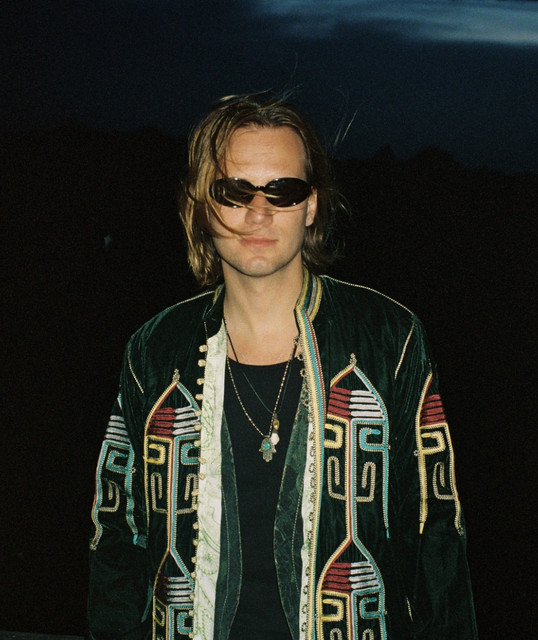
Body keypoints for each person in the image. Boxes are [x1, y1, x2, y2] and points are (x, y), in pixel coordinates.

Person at [87, 93, 477, 639]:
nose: (259, 212)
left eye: (283, 191)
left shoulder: (390, 338)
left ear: (311, 206)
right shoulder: (154, 350)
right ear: (202, 205)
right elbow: (116, 538)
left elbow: (436, 537)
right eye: (234, 190)